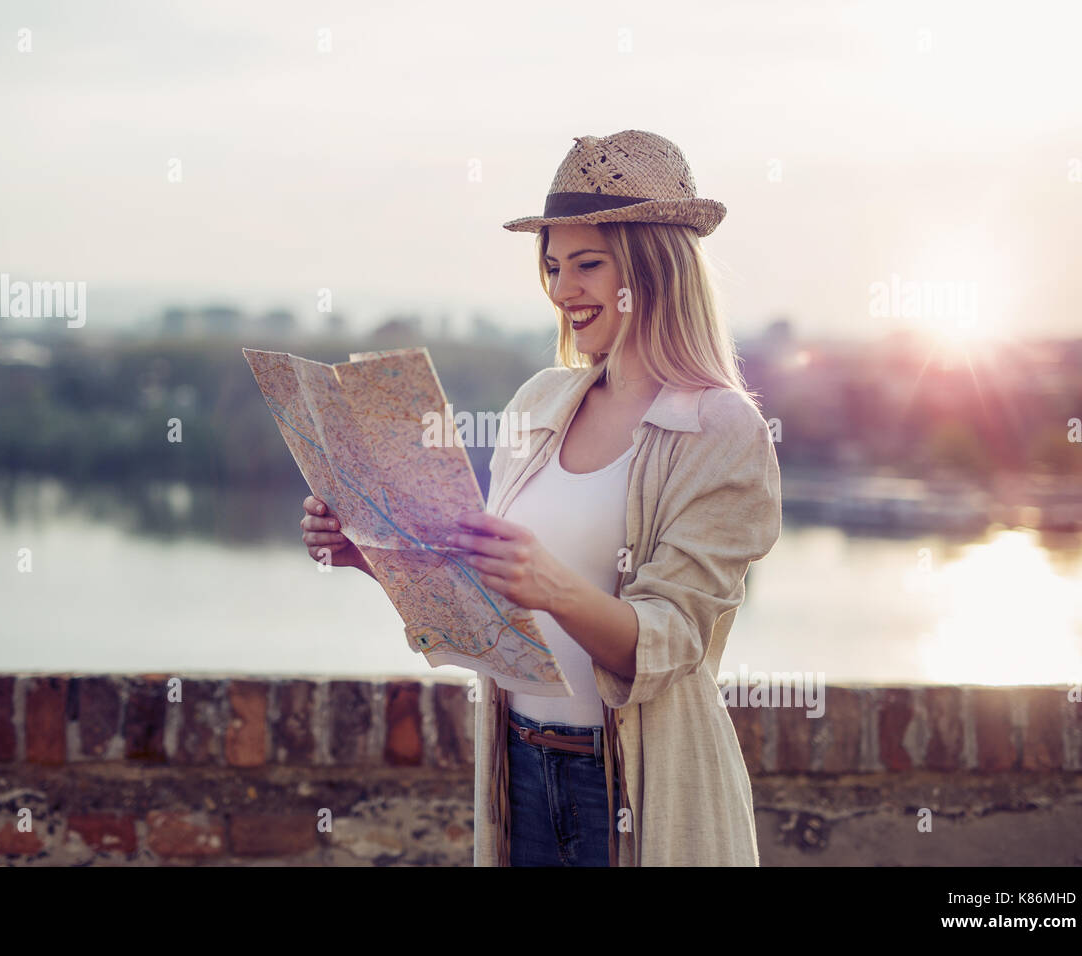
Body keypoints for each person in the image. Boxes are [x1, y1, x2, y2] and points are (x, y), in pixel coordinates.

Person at [300, 129, 781, 866]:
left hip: (633, 787)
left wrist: (552, 585)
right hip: (518, 768)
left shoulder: (721, 428)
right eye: (553, 267)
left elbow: (673, 639)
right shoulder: (537, 403)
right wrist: (373, 553)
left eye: (587, 264)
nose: (562, 291)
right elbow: (493, 620)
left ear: (653, 267)